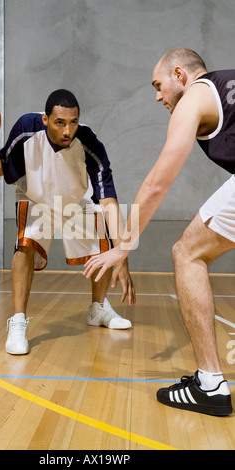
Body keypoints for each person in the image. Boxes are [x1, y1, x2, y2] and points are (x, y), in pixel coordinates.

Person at [84, 48, 235, 417]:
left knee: (188, 253)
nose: (157, 96)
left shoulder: (194, 97)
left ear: (180, 75)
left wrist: (124, 245)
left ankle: (210, 385)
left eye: (159, 85)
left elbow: (156, 184)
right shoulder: (227, 83)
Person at [0, 89, 135, 355]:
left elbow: (108, 200)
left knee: (104, 238)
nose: (68, 130)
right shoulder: (26, 129)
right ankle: (17, 322)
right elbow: (4, 167)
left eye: (73, 122)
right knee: (24, 246)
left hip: (74, 199)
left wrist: (123, 255)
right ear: (45, 119)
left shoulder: (89, 142)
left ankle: (97, 309)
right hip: (36, 197)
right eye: (60, 122)